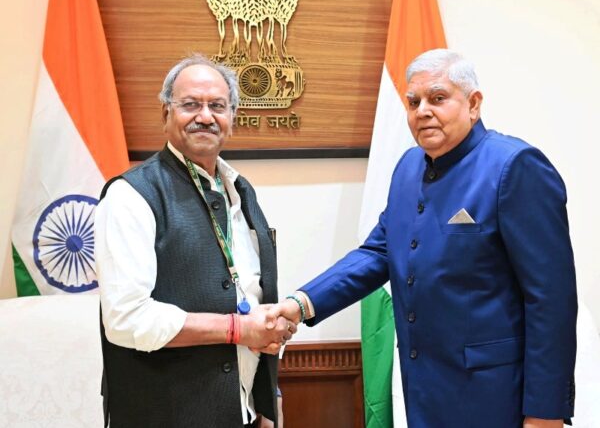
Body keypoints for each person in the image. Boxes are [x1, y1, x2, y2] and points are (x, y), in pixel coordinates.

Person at [271, 49, 578, 428]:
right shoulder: (407, 168)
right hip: (423, 394)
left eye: (438, 98)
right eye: (413, 102)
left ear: (474, 104)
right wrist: (301, 303)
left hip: (496, 397)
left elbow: (551, 299)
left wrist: (546, 413)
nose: (423, 111)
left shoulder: (514, 166)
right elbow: (378, 253)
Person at [95, 54, 293, 428]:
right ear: (166, 113)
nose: (205, 116)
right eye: (190, 104)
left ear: (232, 116)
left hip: (243, 411)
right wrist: (236, 329)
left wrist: (268, 398)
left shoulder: (240, 190)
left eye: (217, 106)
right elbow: (125, 318)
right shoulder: (130, 196)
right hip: (164, 415)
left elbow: (251, 291)